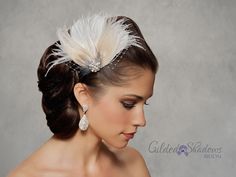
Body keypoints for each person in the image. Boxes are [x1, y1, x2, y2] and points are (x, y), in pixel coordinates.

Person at [8, 14, 158, 177]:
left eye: (145, 103)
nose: (141, 121)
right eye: (128, 104)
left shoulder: (133, 164)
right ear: (83, 95)